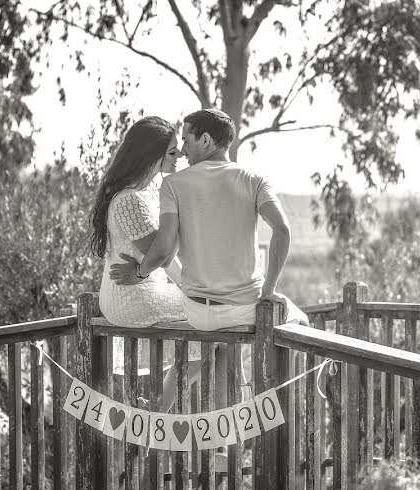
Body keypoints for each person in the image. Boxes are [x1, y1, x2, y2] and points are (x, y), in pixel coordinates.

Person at [110, 108, 307, 330]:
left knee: (224, 352)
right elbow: (282, 230)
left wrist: (139, 273)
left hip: (198, 313)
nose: (183, 151)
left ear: (205, 140)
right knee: (302, 321)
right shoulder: (255, 180)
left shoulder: (172, 185)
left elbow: (164, 248)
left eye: (186, 141)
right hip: (245, 310)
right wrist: (269, 290)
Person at [88, 115, 202, 410]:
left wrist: (187, 285)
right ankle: (158, 409)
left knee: (206, 306)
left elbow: (164, 257)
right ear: (152, 154)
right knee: (212, 313)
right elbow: (161, 254)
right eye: (172, 151)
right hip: (132, 298)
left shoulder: (146, 192)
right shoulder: (130, 200)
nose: (179, 156)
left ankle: (157, 408)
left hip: (132, 290)